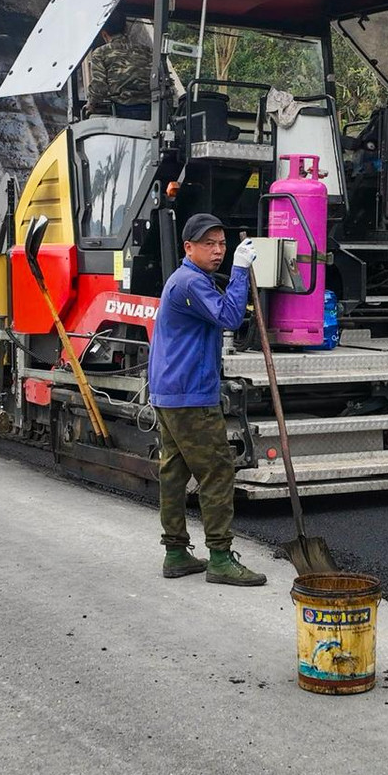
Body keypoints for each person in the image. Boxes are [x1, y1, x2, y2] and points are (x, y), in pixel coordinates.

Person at [148, 212, 265, 586]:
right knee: (217, 471)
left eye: (222, 244)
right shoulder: (190, 283)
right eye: (209, 244)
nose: (217, 251)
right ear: (189, 247)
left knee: (175, 471)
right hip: (190, 395)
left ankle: (176, 552)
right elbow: (230, 317)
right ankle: (219, 557)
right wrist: (241, 270)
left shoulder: (190, 278)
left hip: (170, 391)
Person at [84, 19, 152, 120]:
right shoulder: (146, 51)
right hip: (151, 110)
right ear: (125, 29)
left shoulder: (101, 53)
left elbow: (99, 87)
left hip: (122, 110)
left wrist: (91, 104)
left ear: (104, 34)